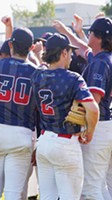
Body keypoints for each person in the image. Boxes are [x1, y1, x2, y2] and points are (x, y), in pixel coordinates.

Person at [31, 33, 99, 200]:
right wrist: (89, 132)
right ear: (63, 52)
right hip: (65, 143)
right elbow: (93, 109)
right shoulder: (73, 78)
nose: (71, 56)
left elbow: (42, 67)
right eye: (69, 52)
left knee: (47, 197)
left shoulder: (38, 75)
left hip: (44, 141)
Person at [53, 17, 112, 200]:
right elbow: (81, 47)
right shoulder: (103, 58)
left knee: (90, 187)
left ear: (99, 37)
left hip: (98, 125)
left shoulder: (100, 63)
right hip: (105, 124)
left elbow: (93, 100)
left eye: (90, 32)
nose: (88, 35)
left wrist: (88, 129)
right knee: (102, 185)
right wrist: (65, 31)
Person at [0, 27, 37, 200]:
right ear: (31, 48)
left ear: (10, 44)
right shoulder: (37, 72)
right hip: (21, 132)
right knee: (13, 193)